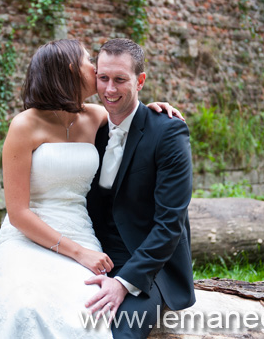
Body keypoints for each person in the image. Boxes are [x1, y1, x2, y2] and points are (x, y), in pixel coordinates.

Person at [0, 39, 182, 338]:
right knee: (25, 304)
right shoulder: (24, 126)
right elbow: (19, 213)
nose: (96, 68)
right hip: (29, 234)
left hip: (79, 227)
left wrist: (153, 111)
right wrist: (80, 253)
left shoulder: (95, 116)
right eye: (90, 62)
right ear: (72, 71)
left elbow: (131, 117)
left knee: (86, 310)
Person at [82, 38, 196, 339]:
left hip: (148, 265)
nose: (109, 89)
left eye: (120, 80)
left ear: (140, 81)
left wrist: (123, 283)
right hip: (93, 254)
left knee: (118, 334)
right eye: (103, 78)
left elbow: (170, 225)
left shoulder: (168, 132)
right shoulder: (90, 128)